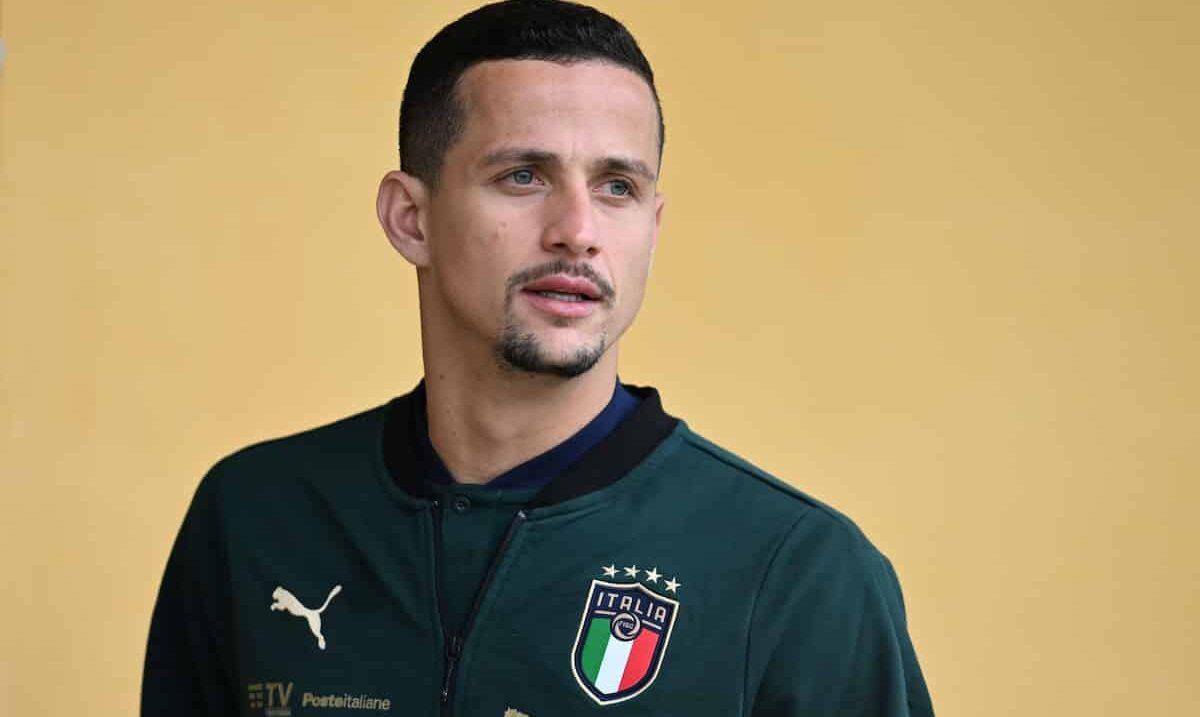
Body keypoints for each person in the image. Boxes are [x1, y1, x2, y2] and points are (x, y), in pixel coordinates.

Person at [141, 1, 935, 715]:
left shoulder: (801, 573)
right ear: (410, 218)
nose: (578, 229)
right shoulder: (254, 517)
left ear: (653, 225)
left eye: (617, 186)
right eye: (523, 175)